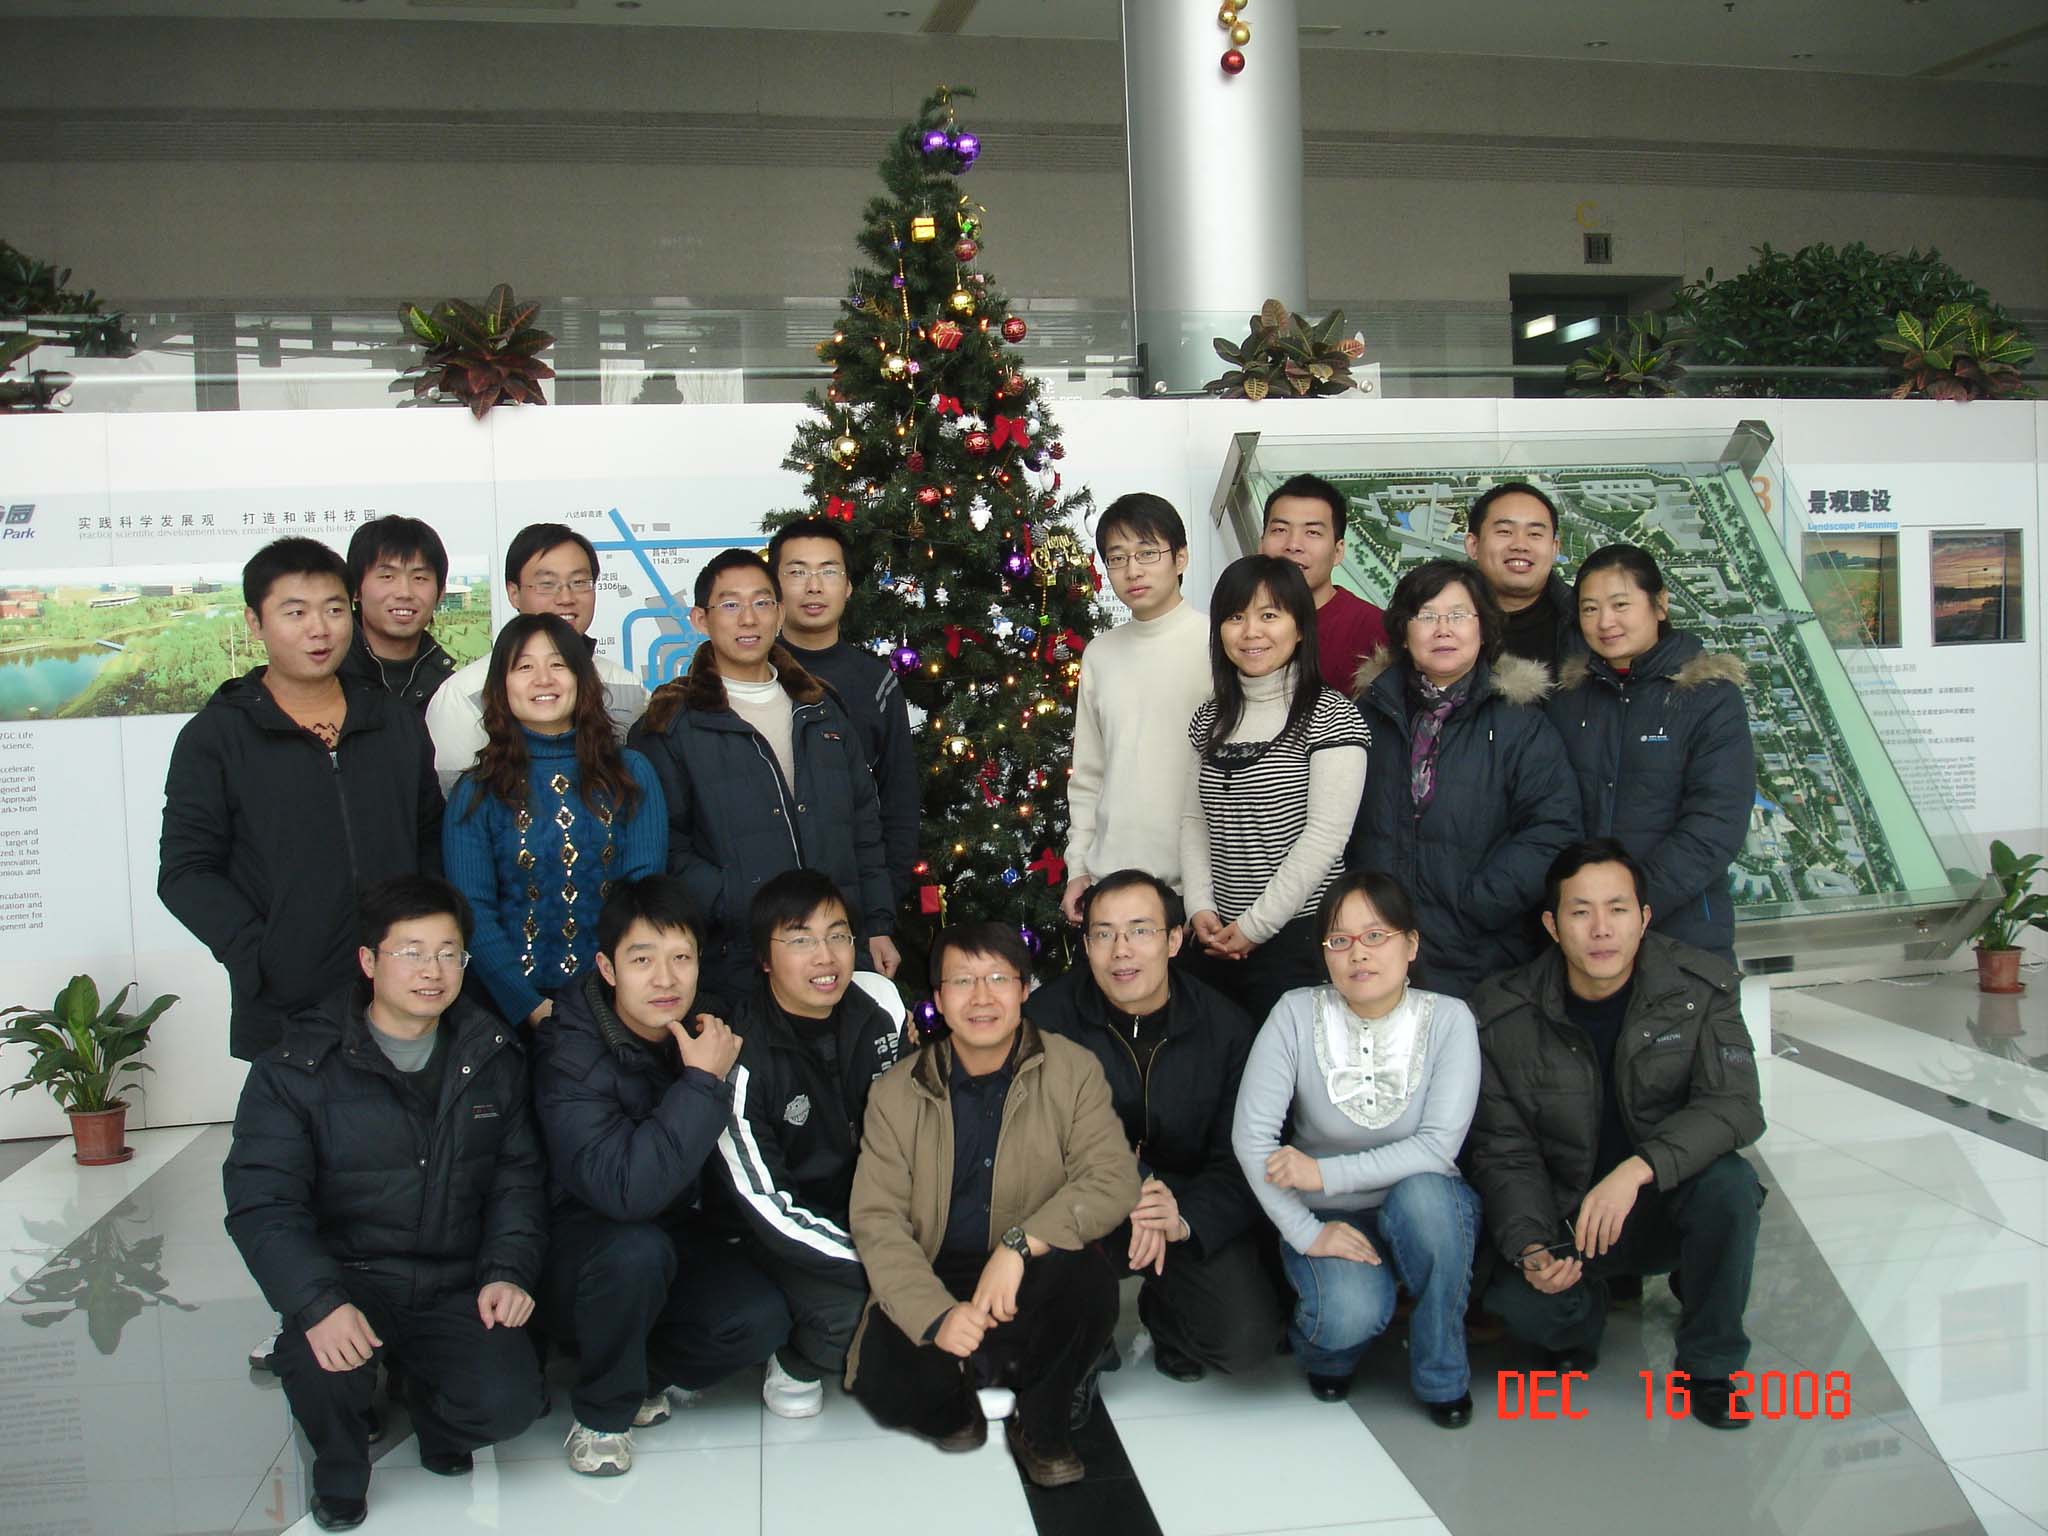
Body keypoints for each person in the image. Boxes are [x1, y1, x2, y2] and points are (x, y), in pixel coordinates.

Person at [222, 877, 545, 1531]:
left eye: (449, 953)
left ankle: (434, 1416)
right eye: (411, 952)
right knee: (320, 1361)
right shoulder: (295, 1067)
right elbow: (263, 1203)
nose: (432, 971)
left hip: (454, 1279)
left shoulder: (492, 1056)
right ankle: (339, 1472)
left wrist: (508, 1271)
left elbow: (518, 1181)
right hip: (351, 1279)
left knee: (513, 1403)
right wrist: (317, 1302)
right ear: (369, 961)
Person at [1468, 840, 1766, 1430]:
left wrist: (1637, 1169)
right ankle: (1586, 1309)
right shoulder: (1504, 1013)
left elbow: (1736, 1106)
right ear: (1552, 926)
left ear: (1644, 918)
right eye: (1581, 912)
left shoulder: (1699, 988)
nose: (1601, 929)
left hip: (1663, 1202)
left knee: (1730, 1186)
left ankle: (1710, 1366)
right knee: (1525, 1307)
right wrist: (1531, 1245)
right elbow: (1504, 1150)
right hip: (1570, 1218)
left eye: (1618, 909)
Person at [847, 921, 1139, 1488]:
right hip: (936, 1268)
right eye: (962, 981)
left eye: (999, 979)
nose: (981, 997)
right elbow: (877, 1221)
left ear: (1025, 989)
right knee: (886, 1384)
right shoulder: (894, 1093)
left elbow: (1111, 1179)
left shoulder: (1072, 1070)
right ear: (938, 999)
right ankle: (961, 1390)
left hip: (1031, 1268)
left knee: (1089, 1281)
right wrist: (936, 1316)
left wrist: (1019, 1244)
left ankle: (1041, 1422)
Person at [534, 877, 793, 1477]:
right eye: (642, 960)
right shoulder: (568, 1050)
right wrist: (701, 1083)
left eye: (681, 958)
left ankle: (638, 1370)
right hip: (582, 1248)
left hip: (674, 1234)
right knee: (635, 1251)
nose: (665, 979)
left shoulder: (707, 1027)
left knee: (760, 1319)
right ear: (607, 967)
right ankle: (602, 1417)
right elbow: (624, 1192)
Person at [160, 536, 444, 1066]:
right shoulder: (217, 737)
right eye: (295, 612)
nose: (320, 629)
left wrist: (428, 942)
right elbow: (186, 872)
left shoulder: (393, 722)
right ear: (255, 621)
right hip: (286, 1010)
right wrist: (261, 954)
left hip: (402, 995)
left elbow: (430, 839)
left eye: (334, 610)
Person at [1231, 872, 1481, 1423]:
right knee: (1348, 1315)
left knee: (1429, 1199)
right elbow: (1250, 1138)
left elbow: (1437, 1148)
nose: (1358, 954)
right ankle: (1328, 1349)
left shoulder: (1450, 1019)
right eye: (1339, 940)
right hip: (1326, 1215)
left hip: (1421, 1205)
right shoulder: (1295, 1013)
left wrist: (1323, 1173)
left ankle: (1442, 1374)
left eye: (1376, 936)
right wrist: (1307, 1232)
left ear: (1411, 944)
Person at [1026, 869, 1283, 1381]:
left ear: (1173, 941)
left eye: (1140, 931)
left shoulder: (1227, 1030)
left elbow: (1244, 1161)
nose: (1121, 950)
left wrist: (1183, 1217)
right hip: (1081, 1202)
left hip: (1181, 1203)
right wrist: (1132, 1186)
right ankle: (1082, 1331)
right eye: (1104, 934)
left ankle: (1165, 1316)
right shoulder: (1046, 1019)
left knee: (1244, 1340)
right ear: (1087, 945)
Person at [628, 549, 899, 1007]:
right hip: (736, 963)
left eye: (762, 602)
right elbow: (666, 849)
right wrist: (744, 904)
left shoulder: (821, 709)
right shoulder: (670, 724)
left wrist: (876, 924)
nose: (748, 618)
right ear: (700, 619)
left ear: (779, 612)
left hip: (834, 955)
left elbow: (863, 827)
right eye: (730, 604)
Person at [709, 870, 907, 1417]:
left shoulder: (880, 1007)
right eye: (801, 940)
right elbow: (765, 1205)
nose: (826, 957)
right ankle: (797, 1355)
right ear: (764, 958)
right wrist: (875, 1261)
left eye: (838, 935)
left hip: (876, 1213)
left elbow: (922, 1130)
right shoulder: (740, 1054)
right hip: (785, 1235)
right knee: (858, 1317)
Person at [1346, 558, 1580, 1000]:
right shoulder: (1365, 716)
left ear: (1483, 628)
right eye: (1426, 616)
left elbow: (1554, 827)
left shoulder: (1520, 724)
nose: (1443, 630)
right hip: (1374, 947)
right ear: (1404, 632)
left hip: (1480, 955)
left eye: (1458, 615)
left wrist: (1477, 902)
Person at [442, 613, 668, 1031]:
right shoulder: (476, 791)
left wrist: (610, 1002)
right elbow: (472, 911)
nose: (543, 679)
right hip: (505, 1015)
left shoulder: (630, 772)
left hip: (618, 1007)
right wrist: (528, 1006)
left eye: (558, 664)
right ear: (501, 687)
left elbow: (642, 898)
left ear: (582, 678)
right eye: (524, 667)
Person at [1181, 555, 1369, 1025]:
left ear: (1300, 627)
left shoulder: (1332, 715)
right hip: (1216, 938)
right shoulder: (1210, 718)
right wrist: (1199, 906)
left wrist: (1255, 926)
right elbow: (1194, 820)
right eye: (1235, 617)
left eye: (1269, 615)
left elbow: (1325, 838)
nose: (1251, 632)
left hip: (1299, 939)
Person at [1549, 544, 1755, 964]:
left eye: (1620, 604)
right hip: (1584, 938)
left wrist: (1628, 907)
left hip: (1684, 934)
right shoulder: (1568, 699)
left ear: (1660, 604)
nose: (1605, 622)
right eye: (1590, 609)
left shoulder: (1709, 698)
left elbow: (1716, 822)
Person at [1060, 493, 1213, 925]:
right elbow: (1088, 775)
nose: (1133, 570)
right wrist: (1078, 867)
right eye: (1117, 558)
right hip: (1110, 880)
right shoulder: (1100, 653)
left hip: (1195, 886)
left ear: (1180, 558)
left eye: (1147, 553)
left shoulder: (1218, 644)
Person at [427, 523, 650, 792]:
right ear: (514, 593)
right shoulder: (463, 694)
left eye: (579, 582)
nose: (566, 597)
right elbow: (456, 799)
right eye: (547, 584)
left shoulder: (627, 685)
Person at [768, 518, 920, 908]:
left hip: (853, 899)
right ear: (774, 587)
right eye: (797, 572)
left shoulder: (876, 681)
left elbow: (899, 801)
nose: (814, 586)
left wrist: (884, 902)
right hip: (766, 898)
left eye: (828, 571)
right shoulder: (753, 673)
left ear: (848, 586)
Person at [1257, 472, 1389, 695]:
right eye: (1280, 530)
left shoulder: (1375, 631)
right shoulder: (1240, 625)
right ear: (1260, 545)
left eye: (1312, 532)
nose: (1293, 545)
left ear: (1338, 551)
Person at [339, 514, 457, 712]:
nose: (405, 593)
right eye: (387, 576)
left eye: (419, 578)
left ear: (440, 593)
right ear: (356, 589)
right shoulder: (326, 679)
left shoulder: (451, 691)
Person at [1463, 481, 1577, 675]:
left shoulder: (1586, 621)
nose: (1520, 545)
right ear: (1473, 545)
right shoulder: (1437, 624)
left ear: (1554, 549)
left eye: (1535, 534)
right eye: (1505, 532)